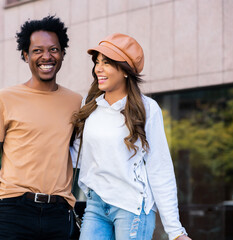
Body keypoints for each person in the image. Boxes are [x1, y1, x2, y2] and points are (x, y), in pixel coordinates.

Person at [0, 16, 82, 240]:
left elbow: (81, 154)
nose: (47, 57)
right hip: (13, 209)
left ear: (62, 55)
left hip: (59, 212)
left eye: (54, 49)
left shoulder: (75, 102)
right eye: (38, 50)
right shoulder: (4, 99)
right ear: (25, 55)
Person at [71, 33, 192, 240]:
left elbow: (159, 168)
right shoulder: (89, 106)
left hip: (132, 208)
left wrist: (175, 231)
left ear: (125, 70)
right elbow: (76, 155)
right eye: (97, 62)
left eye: (107, 63)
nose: (98, 69)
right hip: (95, 204)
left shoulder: (147, 109)